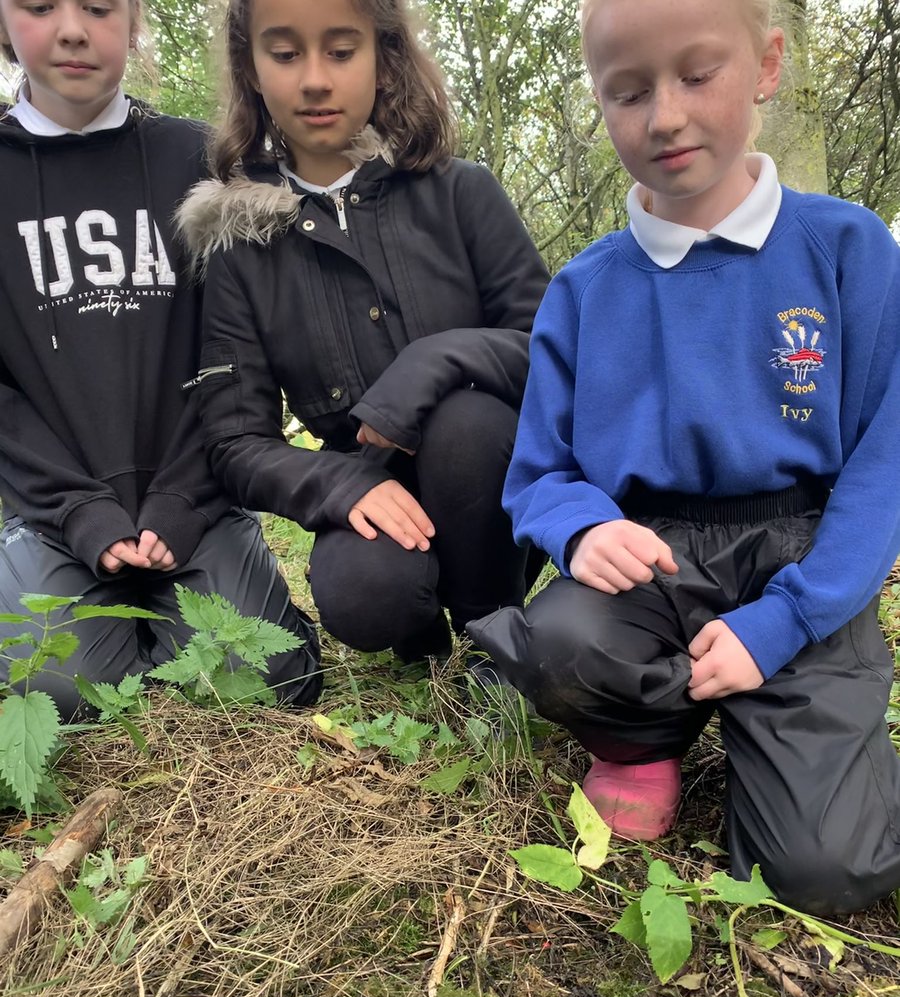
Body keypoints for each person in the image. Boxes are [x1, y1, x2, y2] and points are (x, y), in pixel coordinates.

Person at [468, 0, 900, 916]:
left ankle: (790, 740)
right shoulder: (585, 289)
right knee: (561, 642)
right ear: (598, 98)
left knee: (826, 871)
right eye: (627, 92)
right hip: (658, 559)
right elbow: (538, 474)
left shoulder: (849, 249)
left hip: (803, 557)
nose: (663, 117)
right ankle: (646, 735)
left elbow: (882, 463)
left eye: (696, 76)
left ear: (769, 64)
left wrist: (785, 622)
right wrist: (582, 527)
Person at [176, 0, 549, 668]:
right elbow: (236, 443)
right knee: (361, 593)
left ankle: (493, 633)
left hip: (494, 476)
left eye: (342, 51)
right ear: (252, 68)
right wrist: (340, 486)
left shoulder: (462, 192)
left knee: (464, 425)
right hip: (372, 485)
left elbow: (555, 353)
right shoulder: (241, 246)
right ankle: (424, 642)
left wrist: (436, 359)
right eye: (286, 54)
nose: (315, 80)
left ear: (383, 58)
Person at [0, 0, 321, 718]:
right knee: (54, 692)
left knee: (262, 681)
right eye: (41, 6)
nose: (74, 29)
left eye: (99, 7)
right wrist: (79, 510)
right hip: (55, 514)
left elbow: (242, 356)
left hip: (198, 501)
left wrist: (183, 498)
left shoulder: (205, 162)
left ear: (135, 17)